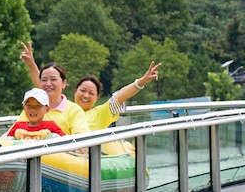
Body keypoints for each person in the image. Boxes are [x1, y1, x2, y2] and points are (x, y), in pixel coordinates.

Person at [20, 40, 160, 131]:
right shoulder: (62, 108)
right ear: (75, 91)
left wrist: (141, 81)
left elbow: (120, 97)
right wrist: (31, 64)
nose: (86, 95)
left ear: (97, 97)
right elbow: (45, 86)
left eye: (91, 93)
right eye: (83, 90)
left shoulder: (100, 113)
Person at [16, 45, 90, 135]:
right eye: (44, 80)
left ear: (64, 83)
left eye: (53, 79)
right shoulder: (31, 109)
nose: (48, 84)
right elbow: (10, 135)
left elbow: (81, 143)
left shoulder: (74, 110)